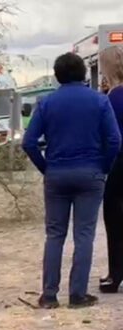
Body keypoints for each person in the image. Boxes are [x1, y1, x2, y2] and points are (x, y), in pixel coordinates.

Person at [22, 53, 122, 308]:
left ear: (57, 76)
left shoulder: (46, 103)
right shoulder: (100, 101)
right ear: (84, 74)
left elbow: (29, 142)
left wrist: (46, 168)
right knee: (84, 234)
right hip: (90, 173)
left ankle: (49, 295)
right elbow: (114, 140)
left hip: (57, 173)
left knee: (54, 234)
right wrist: (103, 168)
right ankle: (77, 294)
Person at [99, 46, 123, 293]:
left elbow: (109, 136)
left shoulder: (110, 99)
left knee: (114, 216)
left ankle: (115, 273)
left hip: (119, 161)